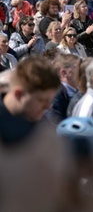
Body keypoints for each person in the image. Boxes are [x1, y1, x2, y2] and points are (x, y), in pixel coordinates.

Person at [0, 57, 70, 212]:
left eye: (50, 100)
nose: (47, 107)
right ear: (19, 94)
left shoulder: (40, 123)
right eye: (42, 100)